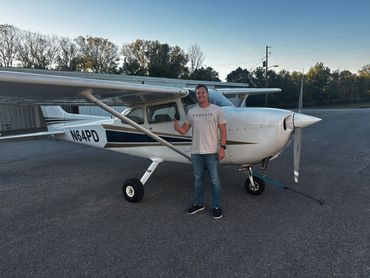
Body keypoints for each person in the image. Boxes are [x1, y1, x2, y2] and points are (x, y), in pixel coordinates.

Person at [174, 84, 227, 219]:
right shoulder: (192, 112)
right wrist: (177, 128)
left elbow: (223, 130)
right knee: (198, 180)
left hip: (212, 152)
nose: (200, 95)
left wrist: (223, 148)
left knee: (214, 180)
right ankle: (199, 204)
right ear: (196, 95)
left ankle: (216, 206)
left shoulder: (217, 110)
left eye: (202, 93)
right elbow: (185, 130)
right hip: (196, 152)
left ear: (207, 94)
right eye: (198, 93)